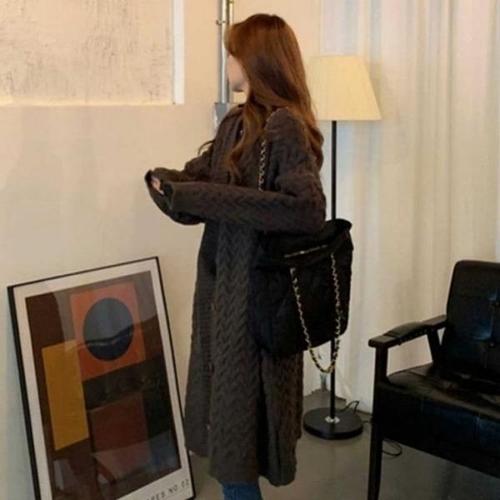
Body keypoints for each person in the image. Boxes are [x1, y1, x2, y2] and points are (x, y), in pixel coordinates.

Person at [145, 13, 326, 500]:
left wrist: (202, 197)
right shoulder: (235, 123)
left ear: (256, 60)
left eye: (233, 52)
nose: (227, 61)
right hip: (220, 294)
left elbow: (307, 209)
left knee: (236, 441)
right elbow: (198, 182)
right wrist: (165, 184)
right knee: (227, 431)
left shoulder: (285, 126)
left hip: (257, 302)